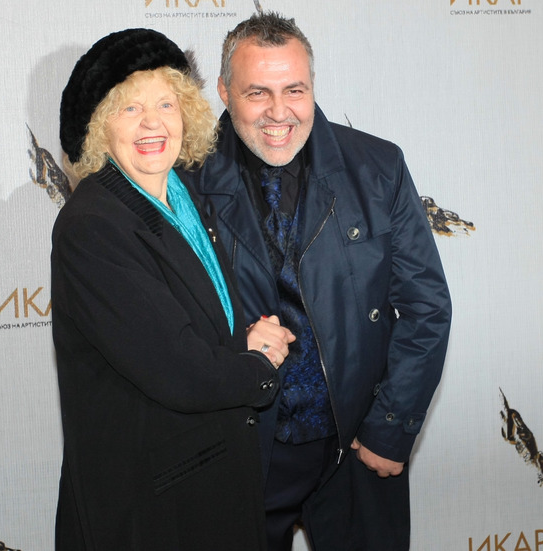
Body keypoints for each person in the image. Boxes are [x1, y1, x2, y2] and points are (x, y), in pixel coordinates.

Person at [185, 12, 453, 551]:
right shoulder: (185, 180)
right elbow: (168, 324)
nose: (278, 112)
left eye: (295, 90)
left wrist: (390, 427)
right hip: (243, 452)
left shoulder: (378, 167)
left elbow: (426, 306)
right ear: (224, 93)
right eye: (257, 93)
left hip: (355, 446)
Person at [51, 28, 295, 551]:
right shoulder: (93, 225)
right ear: (99, 127)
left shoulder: (181, 195)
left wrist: (244, 338)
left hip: (210, 482)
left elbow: (193, 318)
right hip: (152, 504)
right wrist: (259, 365)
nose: (153, 123)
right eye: (130, 108)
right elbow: (178, 370)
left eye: (166, 103)